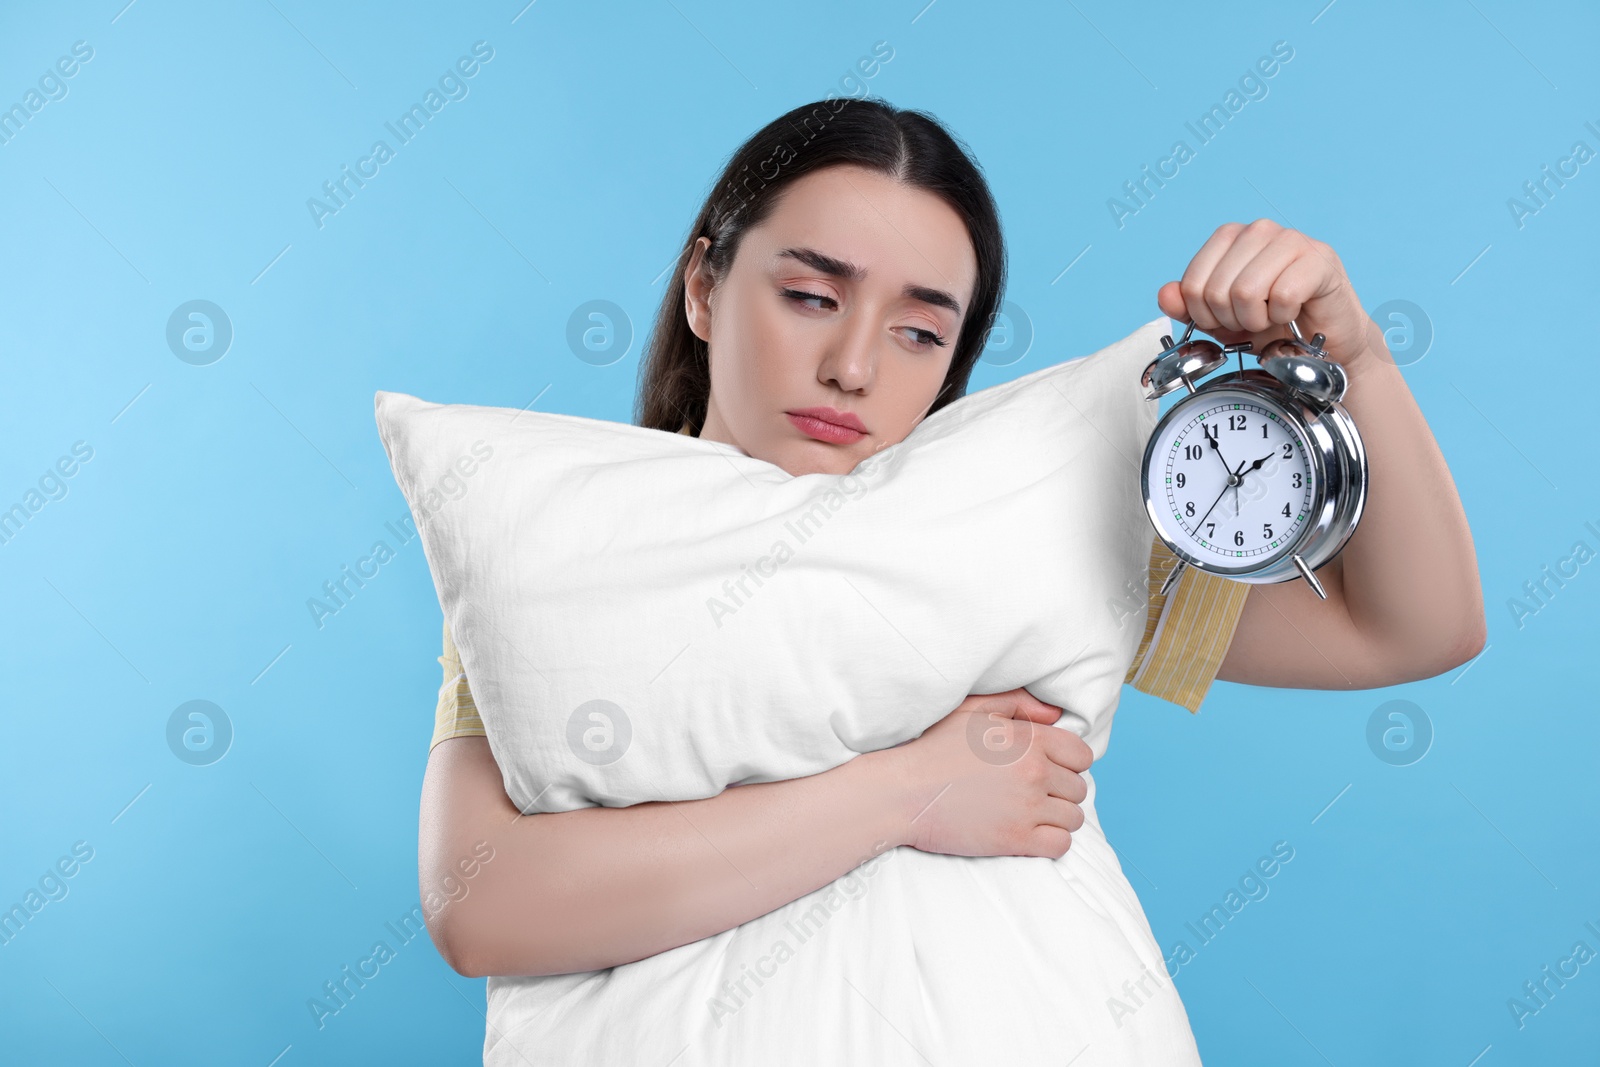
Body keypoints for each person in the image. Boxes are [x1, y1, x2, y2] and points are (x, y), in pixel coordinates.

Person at [417, 97, 1485, 1063]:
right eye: (806, 296)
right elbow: (481, 903)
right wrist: (908, 790)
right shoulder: (572, 551)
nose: (853, 366)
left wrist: (1361, 363)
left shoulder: (1019, 541)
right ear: (704, 287)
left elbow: (1409, 629)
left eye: (920, 330)